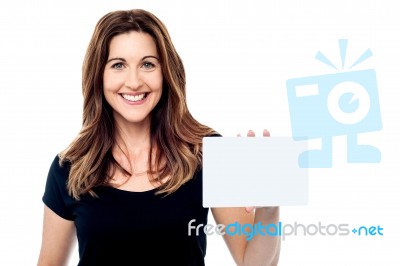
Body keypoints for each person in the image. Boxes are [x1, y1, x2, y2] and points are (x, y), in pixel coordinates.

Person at [37, 9, 280, 266]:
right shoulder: (70, 168)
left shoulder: (205, 153)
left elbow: (253, 263)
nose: (134, 82)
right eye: (118, 65)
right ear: (99, 75)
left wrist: (270, 208)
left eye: (148, 64)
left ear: (165, 73)